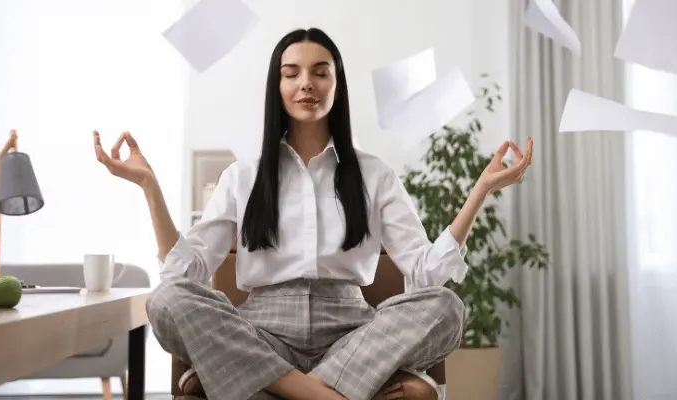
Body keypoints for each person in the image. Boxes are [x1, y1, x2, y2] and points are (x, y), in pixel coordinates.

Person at [94, 27, 533, 400]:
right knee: (167, 300)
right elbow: (183, 275)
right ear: (277, 87)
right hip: (260, 331)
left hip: (352, 334)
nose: (307, 83)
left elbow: (426, 273)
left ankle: (259, 383)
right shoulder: (242, 174)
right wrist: (149, 186)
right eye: (292, 73)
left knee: (446, 307)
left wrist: (481, 190)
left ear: (337, 86)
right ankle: (343, 391)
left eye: (321, 72)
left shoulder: (374, 174)